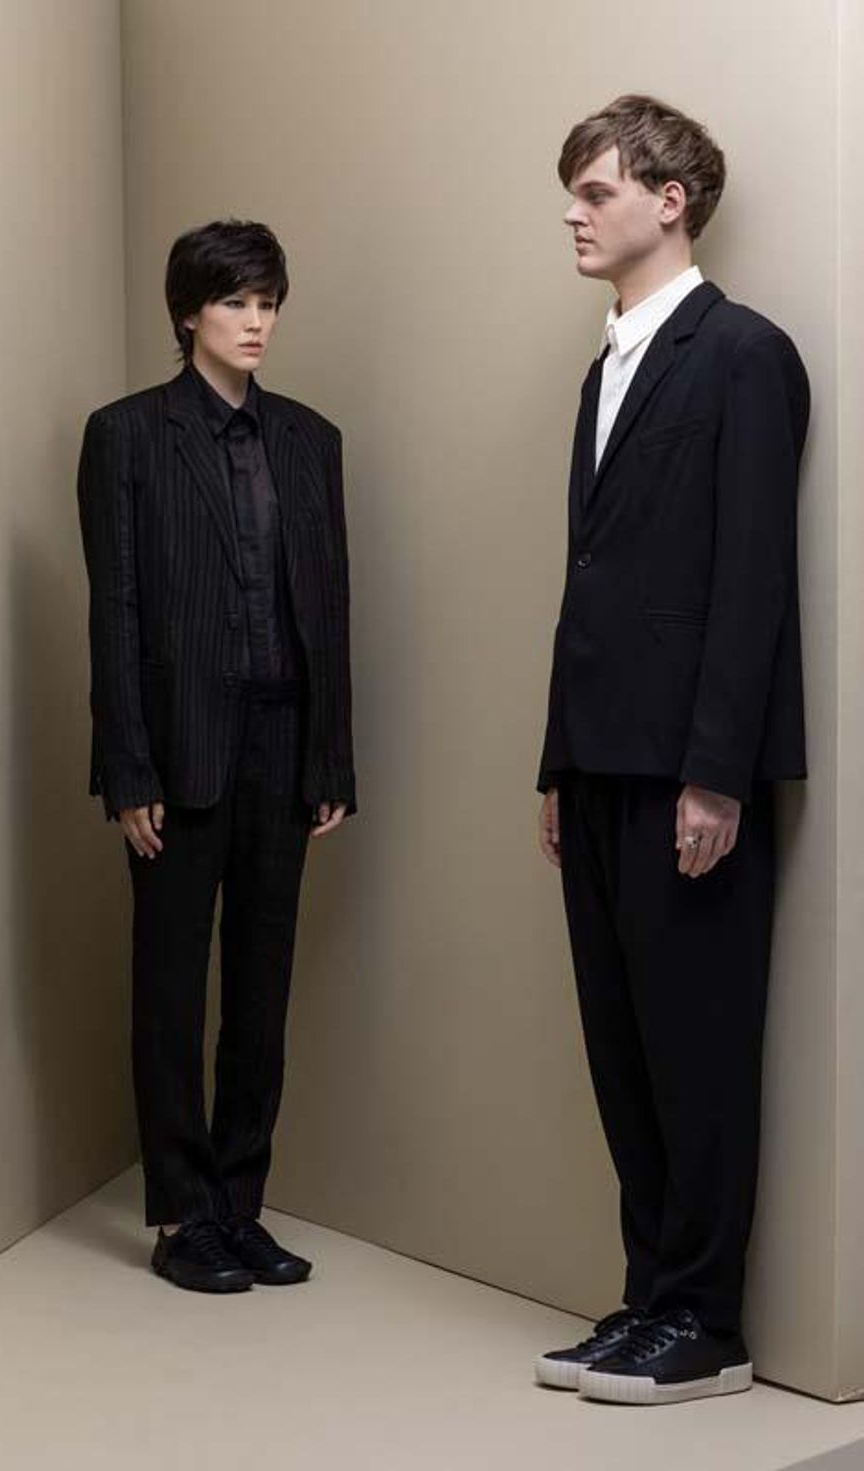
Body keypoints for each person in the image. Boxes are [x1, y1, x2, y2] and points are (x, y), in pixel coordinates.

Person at [532, 97, 809, 1404]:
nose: (573, 213)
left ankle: (705, 1322)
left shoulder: (744, 354)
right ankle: (651, 1296)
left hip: (687, 767)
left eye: (594, 190)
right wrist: (555, 760)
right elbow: (586, 580)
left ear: (669, 199)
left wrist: (716, 772)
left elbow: (750, 578)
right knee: (620, 1045)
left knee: (695, 1046)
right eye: (574, 192)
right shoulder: (604, 370)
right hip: (596, 757)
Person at [77, 219, 355, 1294]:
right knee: (169, 986)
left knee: (261, 987)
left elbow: (329, 607)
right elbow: (115, 611)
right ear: (188, 311)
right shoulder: (127, 436)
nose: (255, 321)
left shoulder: (311, 440)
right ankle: (182, 1216)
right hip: (179, 751)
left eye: (268, 302)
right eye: (236, 301)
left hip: (283, 746)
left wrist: (330, 757)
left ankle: (239, 1206)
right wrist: (128, 770)